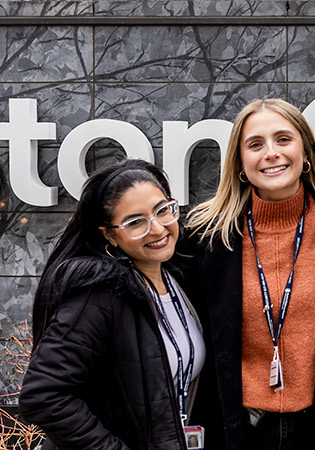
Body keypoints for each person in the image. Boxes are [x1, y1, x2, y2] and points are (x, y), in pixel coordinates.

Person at [186, 99, 315, 450]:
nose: (271, 153)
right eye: (255, 144)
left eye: (284, 139)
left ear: (304, 152)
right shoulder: (205, 236)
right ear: (240, 162)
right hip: (238, 428)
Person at [19, 159, 210, 450]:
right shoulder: (99, 295)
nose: (157, 228)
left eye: (162, 210)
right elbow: (44, 395)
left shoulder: (178, 279)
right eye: (135, 222)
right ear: (109, 235)